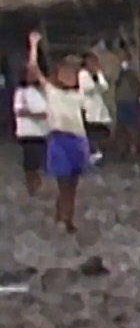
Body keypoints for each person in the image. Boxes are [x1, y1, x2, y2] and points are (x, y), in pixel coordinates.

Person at [25, 32, 89, 230]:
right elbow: (33, 68)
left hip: (78, 140)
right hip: (60, 139)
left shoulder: (79, 94)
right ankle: (62, 217)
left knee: (73, 186)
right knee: (63, 184)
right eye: (66, 72)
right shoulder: (51, 91)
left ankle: (67, 217)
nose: (70, 76)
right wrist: (34, 45)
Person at [12, 50, 48, 197]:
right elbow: (20, 111)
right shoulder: (21, 92)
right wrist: (36, 115)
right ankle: (31, 185)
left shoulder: (43, 92)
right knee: (30, 162)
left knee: (39, 160)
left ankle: (37, 183)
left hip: (42, 131)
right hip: (28, 132)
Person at [79, 51, 112, 162]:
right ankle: (92, 153)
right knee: (91, 132)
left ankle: (97, 153)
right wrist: (98, 84)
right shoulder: (83, 74)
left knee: (100, 131)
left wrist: (99, 73)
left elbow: (104, 87)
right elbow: (89, 88)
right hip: (88, 108)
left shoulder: (95, 75)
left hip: (97, 108)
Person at [113, 49, 140, 160]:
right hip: (121, 101)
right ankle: (122, 149)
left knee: (132, 126)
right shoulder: (116, 70)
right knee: (121, 127)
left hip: (131, 101)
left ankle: (133, 148)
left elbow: (138, 86)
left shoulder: (133, 71)